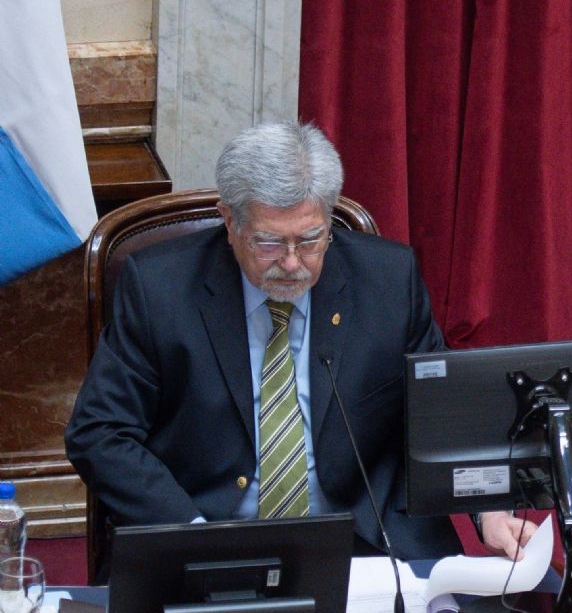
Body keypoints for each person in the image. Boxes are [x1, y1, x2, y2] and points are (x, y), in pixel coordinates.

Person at [66, 121, 531, 560]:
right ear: (229, 222)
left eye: (310, 240)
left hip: (364, 542)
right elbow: (100, 432)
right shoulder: (160, 290)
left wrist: (489, 508)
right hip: (207, 539)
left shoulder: (388, 281)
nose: (292, 264)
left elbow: (443, 413)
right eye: (269, 243)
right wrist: (191, 532)